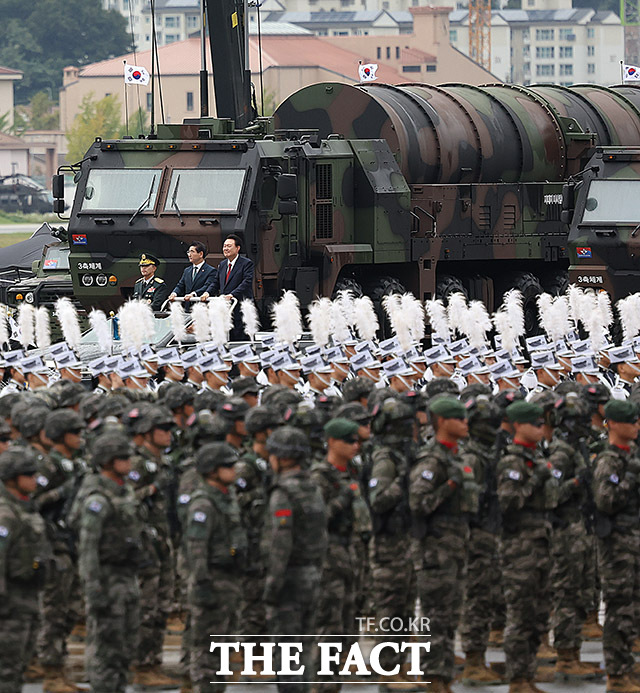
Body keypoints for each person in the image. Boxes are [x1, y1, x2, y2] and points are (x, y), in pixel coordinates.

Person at [73, 433, 142, 693]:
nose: (129, 461)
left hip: (126, 578)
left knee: (125, 646)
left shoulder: (124, 492)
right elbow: (88, 549)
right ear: (108, 461)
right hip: (106, 579)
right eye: (123, 457)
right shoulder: (97, 500)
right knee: (106, 649)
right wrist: (93, 589)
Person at [263, 426, 328, 693]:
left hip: (289, 578)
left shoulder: (283, 493)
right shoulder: (312, 488)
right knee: (304, 646)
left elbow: (281, 542)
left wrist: (272, 583)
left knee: (288, 649)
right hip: (312, 574)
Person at [183, 442, 246, 693]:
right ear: (211, 470)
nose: (234, 470)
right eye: (227, 466)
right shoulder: (204, 504)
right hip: (212, 579)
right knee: (207, 648)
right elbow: (196, 548)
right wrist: (202, 583)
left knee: (223, 646)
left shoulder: (226, 498)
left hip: (229, 580)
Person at [592, 399, 640, 693]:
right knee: (619, 610)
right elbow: (605, 500)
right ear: (615, 424)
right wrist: (630, 480)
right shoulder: (609, 459)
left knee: (633, 610)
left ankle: (627, 667)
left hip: (633, 541)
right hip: (617, 544)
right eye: (631, 421)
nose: (636, 426)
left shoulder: (631, 455)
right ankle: (616, 675)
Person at [0, 447, 51, 693]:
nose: (34, 479)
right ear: (11, 479)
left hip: (28, 597)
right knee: (6, 671)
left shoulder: (25, 508)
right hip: (9, 603)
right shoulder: (5, 514)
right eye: (28, 474)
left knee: (20, 668)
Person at [203, 235, 254, 340]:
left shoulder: (246, 263)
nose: (225, 249)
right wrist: (207, 292)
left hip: (240, 307)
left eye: (229, 246)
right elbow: (216, 282)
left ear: (237, 248)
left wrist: (232, 295)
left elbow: (246, 282)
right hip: (225, 309)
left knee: (240, 338)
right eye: (224, 246)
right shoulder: (222, 265)